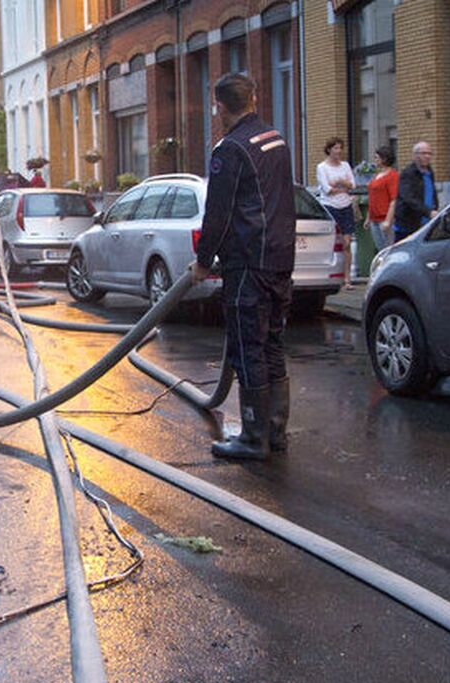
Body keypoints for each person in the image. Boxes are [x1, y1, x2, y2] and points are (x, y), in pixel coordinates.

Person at [191, 73, 296, 461]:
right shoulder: (276, 139)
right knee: (271, 343)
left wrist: (203, 262)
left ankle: (253, 437)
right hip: (279, 260)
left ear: (219, 106)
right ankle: (275, 431)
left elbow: (218, 212)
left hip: (248, 263)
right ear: (253, 98)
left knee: (247, 347)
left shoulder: (230, 149)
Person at [316, 138, 356, 283]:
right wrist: (342, 186)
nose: (339, 151)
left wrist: (340, 183)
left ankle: (347, 277)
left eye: (340, 148)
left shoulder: (345, 166)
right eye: (336, 148)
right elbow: (327, 190)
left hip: (345, 206)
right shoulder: (322, 167)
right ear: (329, 150)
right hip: (330, 206)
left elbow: (353, 185)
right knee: (332, 242)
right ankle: (330, 274)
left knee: (347, 242)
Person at [394, 141, 438, 240]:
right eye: (423, 153)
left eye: (429, 153)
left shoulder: (429, 172)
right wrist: (428, 212)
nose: (427, 156)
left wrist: (434, 208)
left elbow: (432, 192)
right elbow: (408, 197)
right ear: (415, 155)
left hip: (427, 221)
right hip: (409, 223)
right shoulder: (408, 174)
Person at [365, 146, 399, 253]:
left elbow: (394, 199)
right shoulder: (377, 175)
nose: (375, 160)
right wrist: (368, 217)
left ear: (384, 159)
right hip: (374, 219)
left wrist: (388, 220)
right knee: (380, 250)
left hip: (384, 219)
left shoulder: (392, 176)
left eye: (376, 157)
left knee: (388, 250)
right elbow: (372, 197)